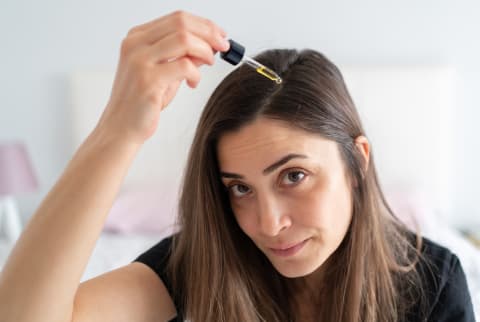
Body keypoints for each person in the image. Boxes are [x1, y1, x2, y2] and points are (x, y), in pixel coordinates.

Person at [0, 10, 475, 322]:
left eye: (294, 176)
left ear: (357, 163)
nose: (269, 224)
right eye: (240, 188)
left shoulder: (432, 282)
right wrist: (117, 132)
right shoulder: (201, 262)